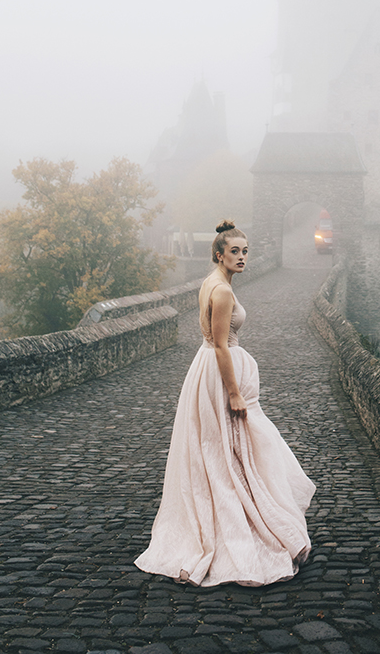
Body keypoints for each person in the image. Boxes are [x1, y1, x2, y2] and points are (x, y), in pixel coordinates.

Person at [134, 220, 315, 587]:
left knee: (223, 451)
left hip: (207, 371)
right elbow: (220, 345)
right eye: (235, 251)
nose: (242, 257)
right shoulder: (222, 292)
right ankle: (243, 528)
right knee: (234, 452)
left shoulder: (211, 282)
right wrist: (233, 392)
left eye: (245, 251)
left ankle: (239, 515)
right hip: (219, 377)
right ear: (219, 255)